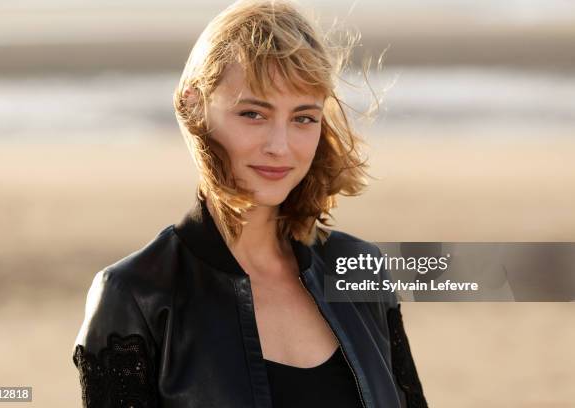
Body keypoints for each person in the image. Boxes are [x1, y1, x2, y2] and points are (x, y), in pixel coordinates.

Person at [72, 0, 428, 407]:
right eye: (253, 114)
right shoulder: (137, 295)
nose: (280, 146)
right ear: (194, 106)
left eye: (303, 118)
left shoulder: (362, 270)